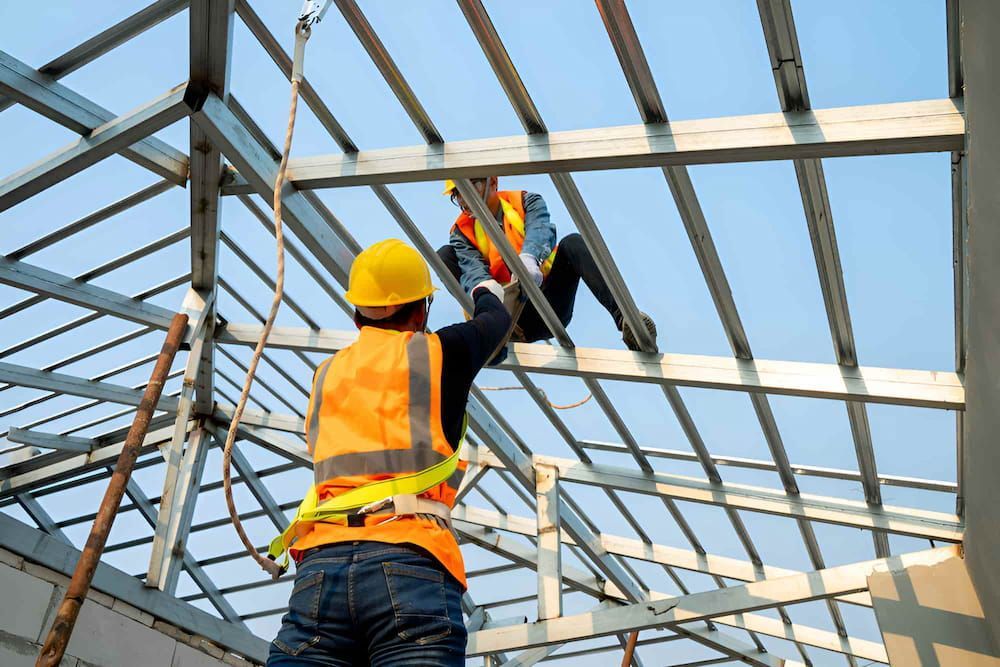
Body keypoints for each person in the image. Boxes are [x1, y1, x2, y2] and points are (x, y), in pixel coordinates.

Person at [267, 239, 511, 666]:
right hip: (409, 555)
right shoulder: (439, 353)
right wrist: (481, 284)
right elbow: (496, 319)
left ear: (356, 312)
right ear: (420, 311)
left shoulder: (326, 374)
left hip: (320, 566)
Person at [436, 177, 657, 351]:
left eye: (468, 188)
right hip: (507, 316)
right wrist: (487, 298)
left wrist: (530, 258)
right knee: (444, 255)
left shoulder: (525, 202)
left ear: (492, 182)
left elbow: (540, 229)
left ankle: (627, 320)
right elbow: (471, 267)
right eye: (456, 194)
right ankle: (491, 328)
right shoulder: (461, 232)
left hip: (547, 302)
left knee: (573, 243)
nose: (464, 199)